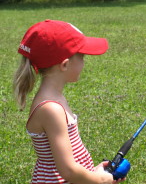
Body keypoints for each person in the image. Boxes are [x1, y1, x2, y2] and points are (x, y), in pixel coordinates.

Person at [14, 19, 126, 184]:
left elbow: (69, 161)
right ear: (64, 65)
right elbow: (68, 170)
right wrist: (100, 180)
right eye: (82, 56)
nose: (84, 62)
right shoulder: (51, 109)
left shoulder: (55, 99)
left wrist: (93, 172)